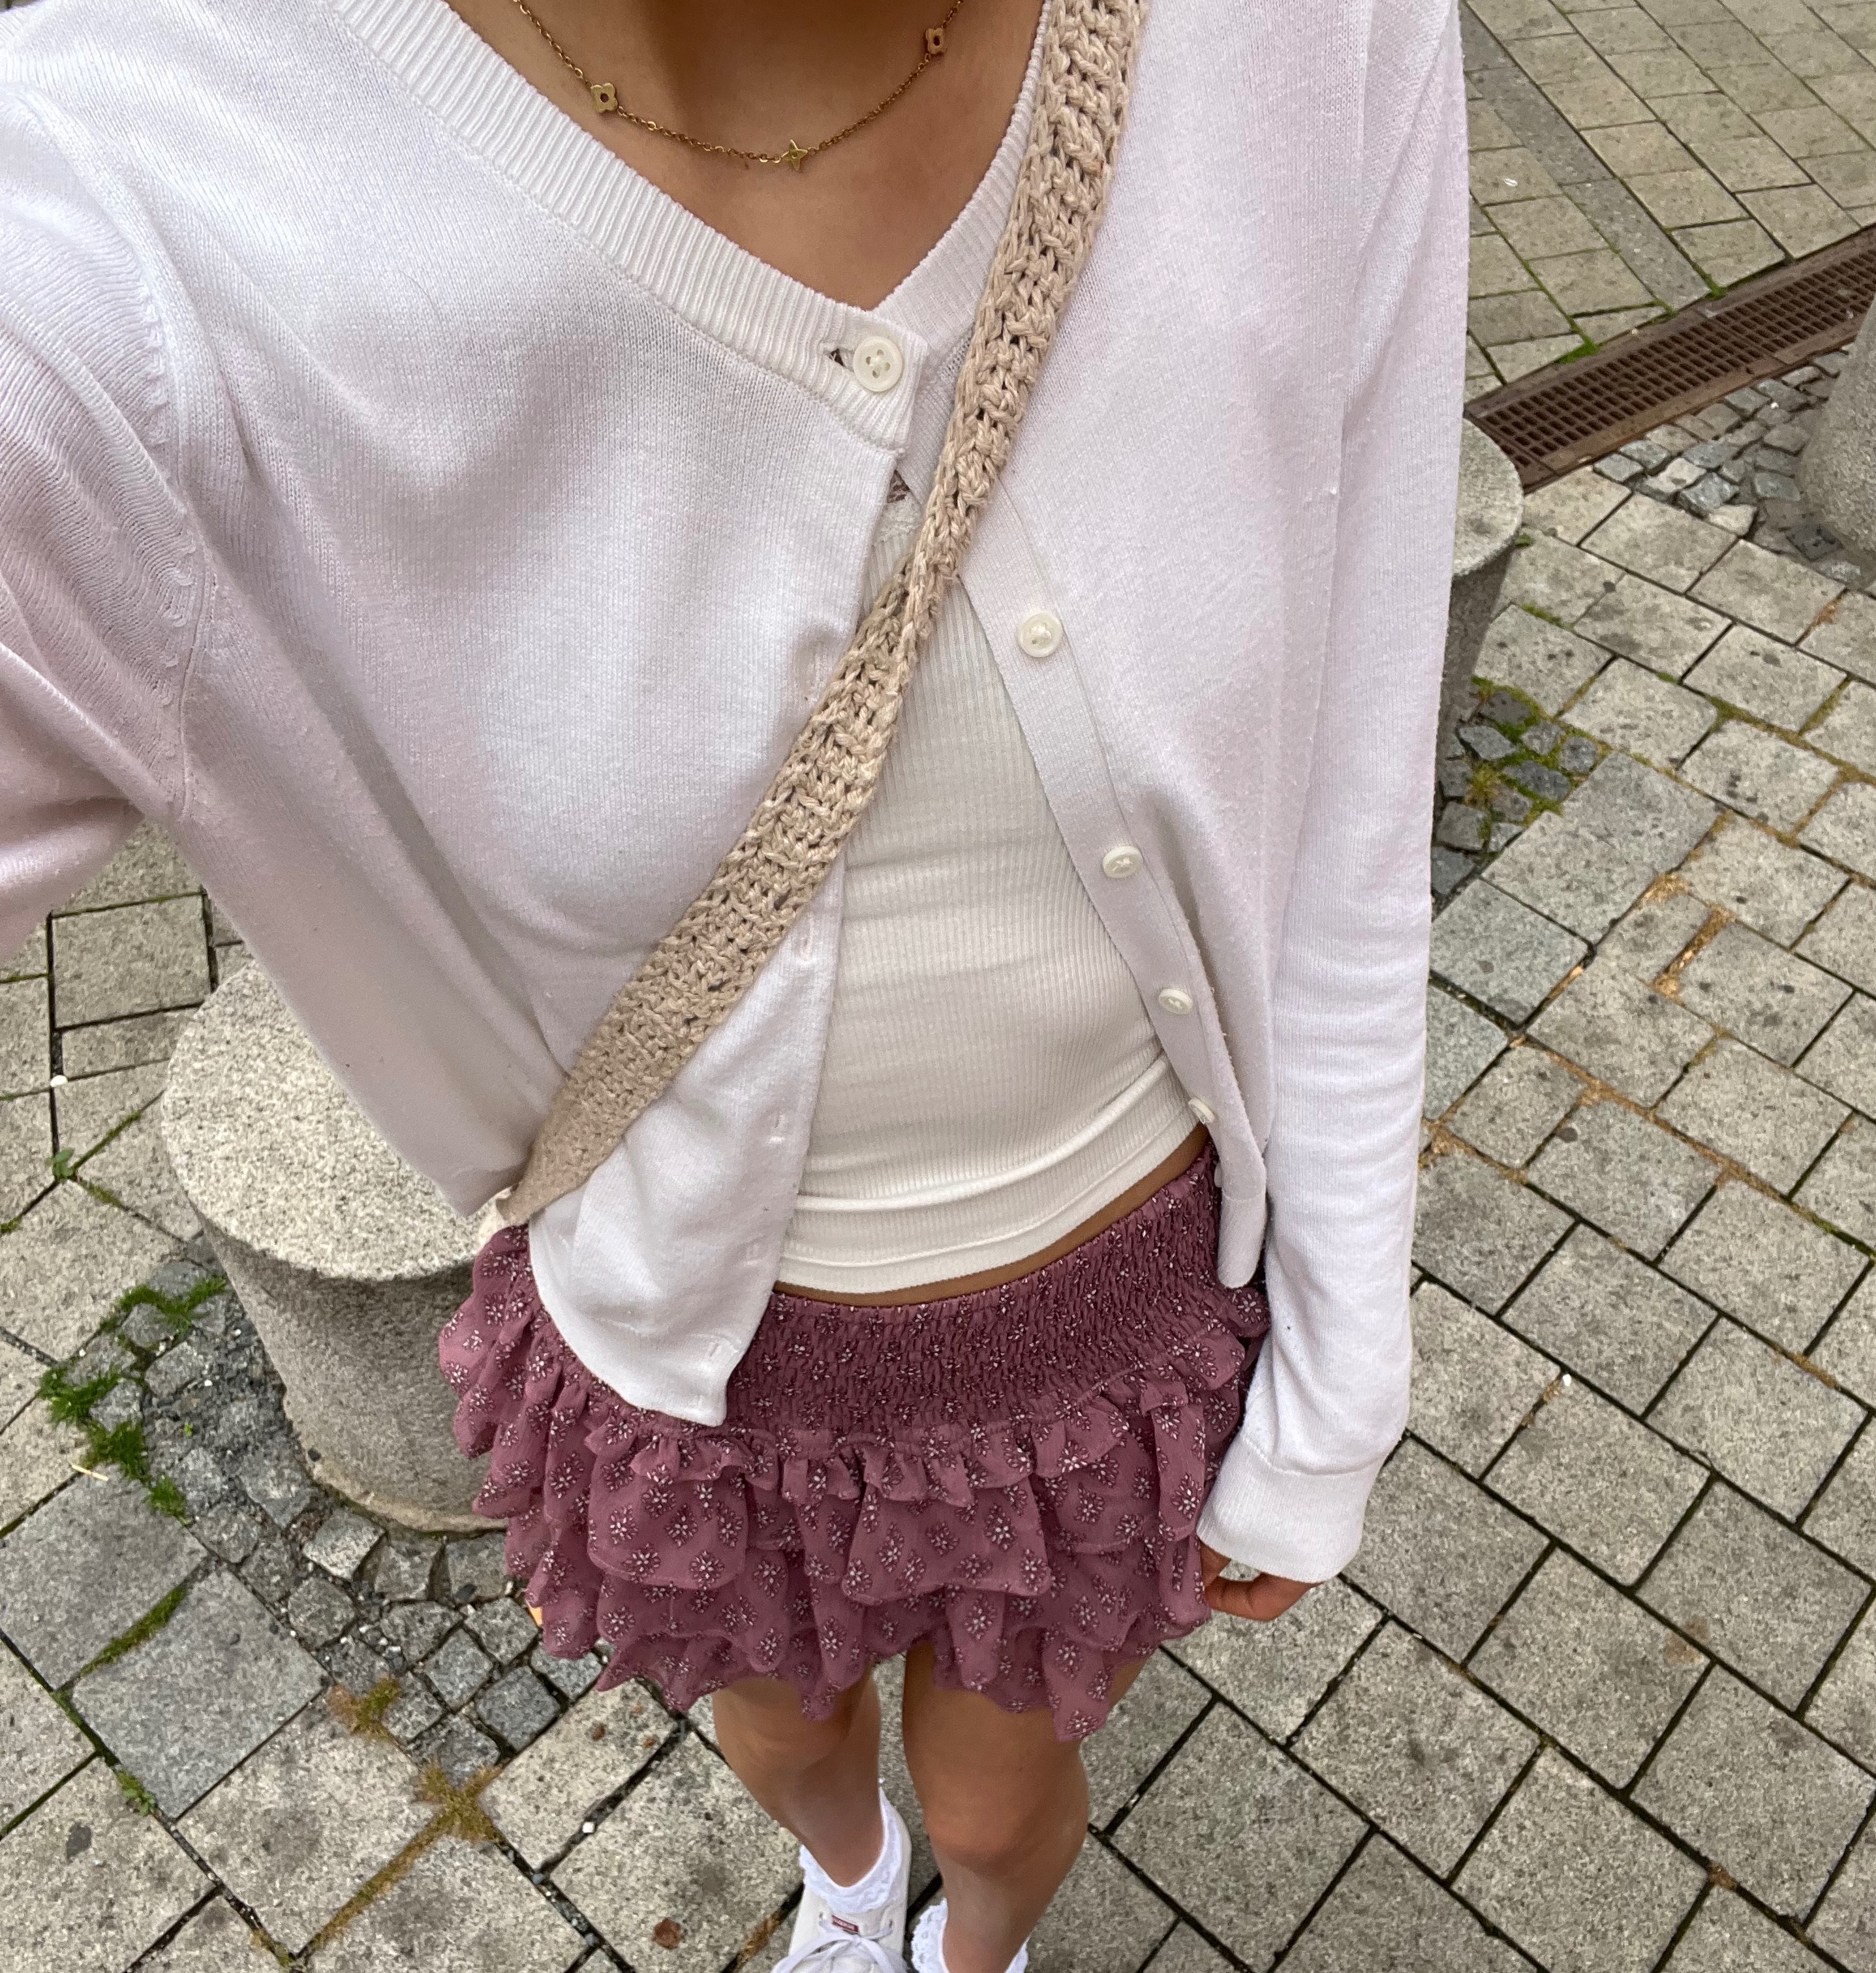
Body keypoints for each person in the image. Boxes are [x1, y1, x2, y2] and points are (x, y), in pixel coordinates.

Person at [0, 0, 1468, 1965]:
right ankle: (847, 1896)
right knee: (784, 1734)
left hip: (1106, 1330)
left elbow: (1356, 794)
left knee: (1000, 1798)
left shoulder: (1312, 39)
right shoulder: (124, 206)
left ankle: (971, 1948)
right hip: (701, 1365)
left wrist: (1343, 1370)